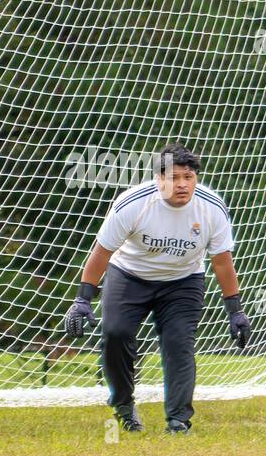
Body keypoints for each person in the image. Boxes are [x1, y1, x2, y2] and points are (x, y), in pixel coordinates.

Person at [62, 144, 251, 434]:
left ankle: (178, 421)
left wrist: (235, 311)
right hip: (129, 275)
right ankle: (124, 406)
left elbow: (223, 263)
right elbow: (101, 253)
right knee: (115, 334)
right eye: (174, 178)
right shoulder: (133, 204)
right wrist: (82, 300)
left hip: (183, 282)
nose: (182, 185)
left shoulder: (212, 208)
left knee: (179, 344)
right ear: (158, 179)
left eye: (188, 177)